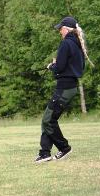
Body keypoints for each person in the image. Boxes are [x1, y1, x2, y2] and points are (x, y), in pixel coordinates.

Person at [35, 16, 93, 163]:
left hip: (64, 87)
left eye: (60, 29)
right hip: (70, 86)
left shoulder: (66, 43)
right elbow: (71, 66)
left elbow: (59, 67)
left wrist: (52, 66)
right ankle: (45, 153)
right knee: (49, 119)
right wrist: (56, 65)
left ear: (66, 29)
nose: (59, 31)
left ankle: (64, 148)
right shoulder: (77, 44)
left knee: (48, 119)